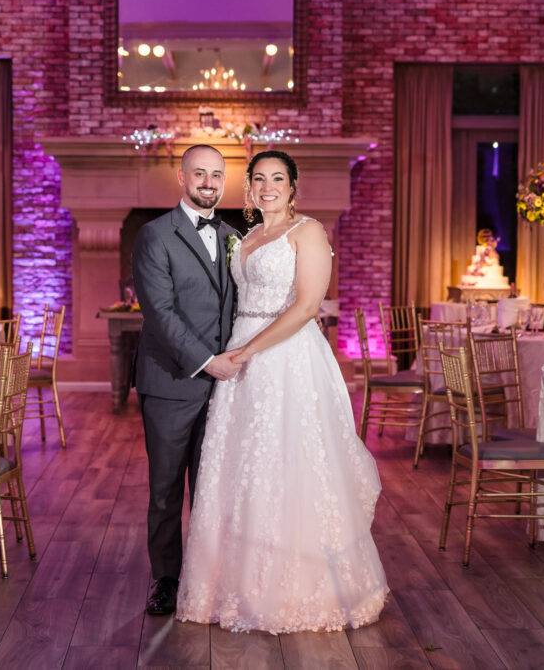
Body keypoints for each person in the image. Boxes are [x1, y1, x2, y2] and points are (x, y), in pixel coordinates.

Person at [176, 150, 388, 633]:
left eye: (277, 178)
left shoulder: (307, 231)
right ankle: (233, 586)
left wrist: (246, 352)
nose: (267, 186)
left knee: (291, 465)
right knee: (241, 465)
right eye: (258, 179)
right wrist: (228, 353)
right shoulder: (246, 237)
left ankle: (299, 590)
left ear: (293, 186)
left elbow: (307, 305)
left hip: (287, 358)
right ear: (249, 187)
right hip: (239, 358)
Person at [132, 144, 242, 616]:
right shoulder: (154, 235)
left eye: (216, 175)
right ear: (181, 177)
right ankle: (165, 579)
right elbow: (160, 314)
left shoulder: (236, 236)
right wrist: (207, 361)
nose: (208, 183)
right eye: (199, 173)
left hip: (225, 388)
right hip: (171, 384)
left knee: (212, 487)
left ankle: (206, 575)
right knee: (165, 490)